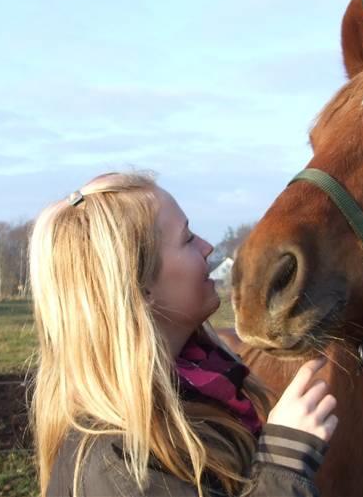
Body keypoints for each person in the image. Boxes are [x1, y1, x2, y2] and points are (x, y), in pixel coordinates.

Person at [29, 172, 338, 497]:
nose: (207, 247)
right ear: (140, 287)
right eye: (188, 238)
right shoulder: (119, 467)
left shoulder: (201, 391)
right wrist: (284, 463)